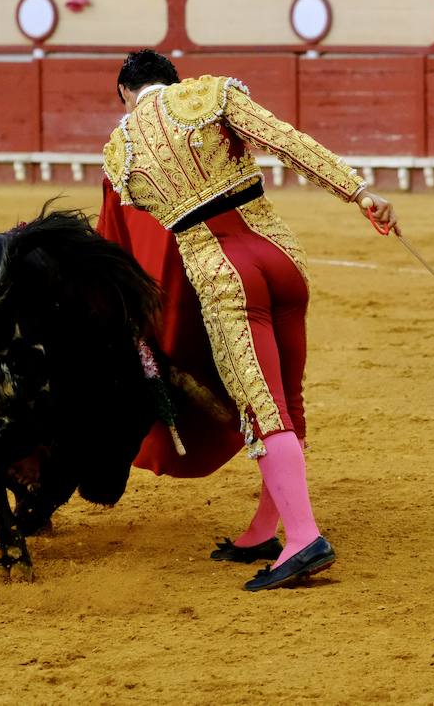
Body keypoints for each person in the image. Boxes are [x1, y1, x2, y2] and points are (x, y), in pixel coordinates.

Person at [98, 49, 399, 590]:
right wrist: (359, 192)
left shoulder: (121, 151)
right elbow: (287, 141)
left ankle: (304, 537)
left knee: (263, 406)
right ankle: (266, 527)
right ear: (173, 80)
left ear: (125, 92)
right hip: (281, 258)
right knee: (288, 395)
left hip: (224, 273)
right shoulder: (209, 95)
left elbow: (150, 236)